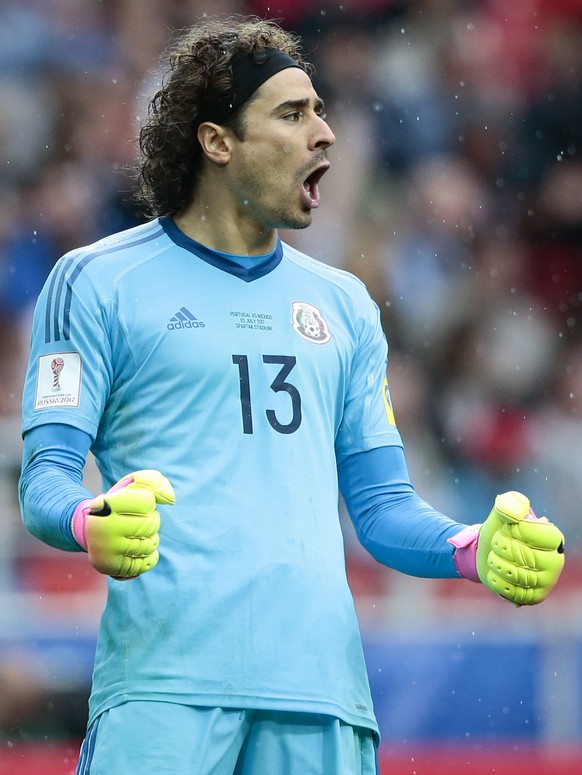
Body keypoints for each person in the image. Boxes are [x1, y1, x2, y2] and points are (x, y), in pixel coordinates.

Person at [18, 16, 565, 775]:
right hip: (164, 692)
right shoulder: (95, 282)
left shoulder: (346, 306)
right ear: (217, 142)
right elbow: (44, 480)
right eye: (293, 113)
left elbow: (381, 510)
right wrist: (88, 519)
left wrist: (471, 547)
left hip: (322, 696)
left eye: (321, 110)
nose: (326, 133)